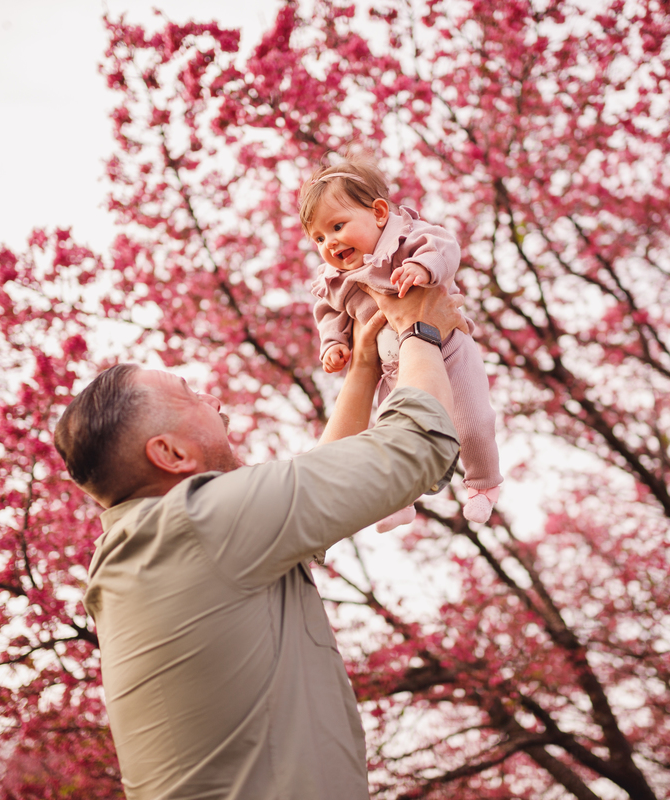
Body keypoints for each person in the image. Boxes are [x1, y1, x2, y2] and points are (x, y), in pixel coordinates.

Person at [53, 286, 466, 800]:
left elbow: (315, 497)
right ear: (169, 453)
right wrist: (417, 329)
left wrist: (362, 366)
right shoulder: (195, 523)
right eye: (190, 395)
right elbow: (416, 444)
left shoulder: (160, 541)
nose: (215, 400)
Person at [300, 153, 501, 528]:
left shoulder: (409, 239)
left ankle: (483, 484)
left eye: (338, 226)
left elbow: (446, 248)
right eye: (319, 238)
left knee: (473, 423)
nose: (330, 243)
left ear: (379, 213)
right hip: (392, 368)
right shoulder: (337, 280)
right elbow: (330, 314)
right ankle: (398, 501)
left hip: (449, 348)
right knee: (393, 432)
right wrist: (333, 344)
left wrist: (422, 267)